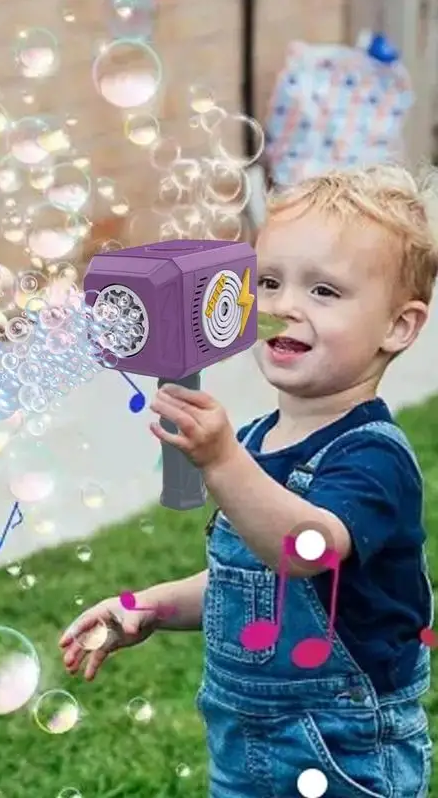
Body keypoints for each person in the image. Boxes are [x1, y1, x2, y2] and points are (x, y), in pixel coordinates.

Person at [60, 164, 437, 797]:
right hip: (242, 745)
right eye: (268, 282)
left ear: (398, 326)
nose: (284, 306)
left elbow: (305, 550)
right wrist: (151, 605)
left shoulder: (373, 456)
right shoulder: (259, 440)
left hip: (343, 747)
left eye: (324, 291)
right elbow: (254, 584)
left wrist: (221, 462)